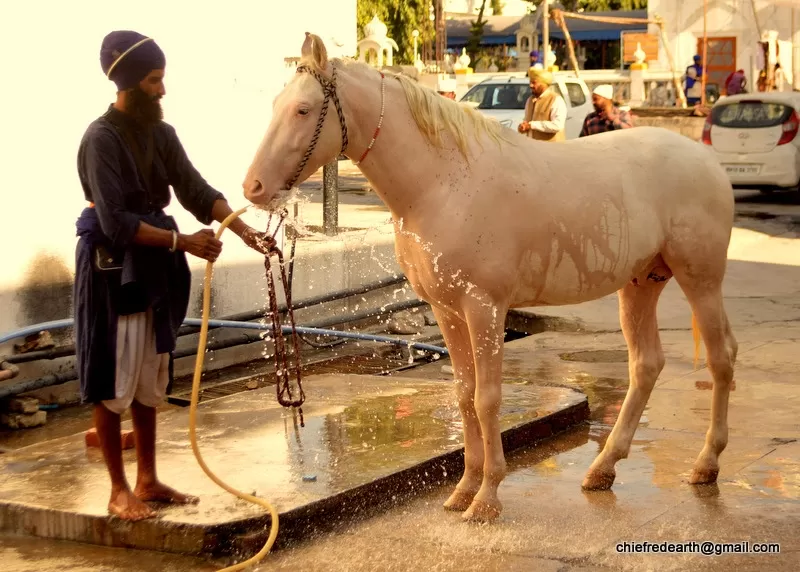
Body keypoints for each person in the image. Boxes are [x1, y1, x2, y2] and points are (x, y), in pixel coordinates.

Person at [75, 30, 272, 521]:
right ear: (127, 83)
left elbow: (194, 189)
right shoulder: (101, 138)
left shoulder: (161, 134)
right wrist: (184, 242)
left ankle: (147, 477)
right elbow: (115, 222)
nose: (163, 90)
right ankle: (118, 490)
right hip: (112, 270)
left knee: (148, 374)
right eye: (154, 80)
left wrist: (245, 231)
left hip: (155, 266)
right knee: (112, 376)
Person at [517, 68, 567, 142]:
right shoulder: (530, 100)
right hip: (532, 149)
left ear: (544, 84)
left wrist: (532, 125)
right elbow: (526, 122)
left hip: (551, 150)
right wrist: (523, 127)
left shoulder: (556, 99)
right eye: (530, 82)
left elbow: (557, 125)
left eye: (534, 82)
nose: (530, 85)